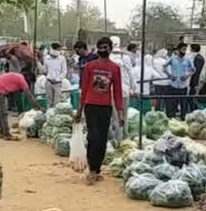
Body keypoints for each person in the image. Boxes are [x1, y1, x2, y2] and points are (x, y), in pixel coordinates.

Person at [74, 37, 124, 185]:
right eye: (100, 47)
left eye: (105, 47)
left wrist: (120, 113)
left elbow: (118, 93)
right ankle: (92, 169)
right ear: (97, 49)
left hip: (105, 108)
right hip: (90, 106)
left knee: (102, 139)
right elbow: (84, 91)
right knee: (93, 137)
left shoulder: (115, 68)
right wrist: (79, 110)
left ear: (110, 49)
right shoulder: (90, 67)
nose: (103, 50)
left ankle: (97, 169)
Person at [0, 71, 41, 140]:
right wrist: (38, 106)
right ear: (29, 79)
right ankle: (6, 134)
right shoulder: (22, 80)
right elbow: (29, 95)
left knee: (0, 113)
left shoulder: (18, 76)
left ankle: (2, 132)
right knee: (3, 113)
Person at [109, 36, 136, 141]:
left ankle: (118, 141)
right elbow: (130, 74)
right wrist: (133, 89)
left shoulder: (109, 57)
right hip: (125, 90)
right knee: (124, 116)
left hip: (112, 91)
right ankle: (125, 138)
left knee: (116, 118)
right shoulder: (126, 57)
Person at [164, 43, 195, 120]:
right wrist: (169, 75)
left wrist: (187, 76)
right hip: (173, 85)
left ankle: (183, 119)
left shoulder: (188, 60)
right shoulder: (172, 59)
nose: (184, 51)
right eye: (183, 49)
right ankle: (172, 119)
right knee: (173, 104)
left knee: (183, 104)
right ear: (178, 50)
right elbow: (164, 66)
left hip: (183, 86)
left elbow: (194, 70)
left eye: (185, 49)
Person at [40, 42, 67, 108]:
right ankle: (50, 115)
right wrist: (39, 65)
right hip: (48, 82)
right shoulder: (46, 58)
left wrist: (57, 79)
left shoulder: (62, 58)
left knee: (57, 103)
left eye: (59, 50)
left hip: (57, 83)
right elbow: (45, 70)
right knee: (49, 102)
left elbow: (64, 71)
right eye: (57, 49)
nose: (58, 51)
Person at [188, 44, 204, 112]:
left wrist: (196, 84)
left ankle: (194, 112)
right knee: (192, 99)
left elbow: (197, 72)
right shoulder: (198, 57)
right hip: (195, 82)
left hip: (195, 83)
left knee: (192, 99)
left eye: (190, 49)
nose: (189, 50)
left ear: (193, 49)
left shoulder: (198, 58)